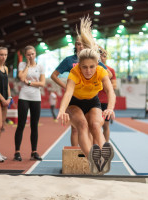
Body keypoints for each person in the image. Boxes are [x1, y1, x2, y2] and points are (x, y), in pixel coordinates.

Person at [57, 16, 116, 175]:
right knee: (82, 125)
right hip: (75, 103)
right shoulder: (74, 73)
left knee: (97, 126)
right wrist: (62, 110)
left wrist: (110, 108)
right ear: (79, 66)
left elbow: (110, 91)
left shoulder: (101, 71)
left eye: (91, 67)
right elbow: (68, 93)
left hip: (93, 102)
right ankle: (92, 160)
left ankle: (104, 155)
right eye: (85, 67)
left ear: (97, 65)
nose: (88, 71)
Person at [51, 33, 111, 147]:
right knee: (77, 128)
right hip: (74, 98)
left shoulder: (92, 59)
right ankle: (76, 152)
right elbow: (54, 75)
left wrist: (97, 51)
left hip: (90, 98)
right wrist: (66, 86)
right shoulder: (69, 60)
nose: (81, 47)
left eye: (83, 44)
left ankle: (93, 153)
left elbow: (109, 74)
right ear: (75, 45)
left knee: (92, 127)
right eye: (78, 44)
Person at [14, 45, 45, 161]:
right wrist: (27, 64)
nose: (31, 56)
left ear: (35, 54)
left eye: (32, 54)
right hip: (24, 96)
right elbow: (21, 77)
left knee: (34, 125)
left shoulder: (40, 66)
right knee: (21, 124)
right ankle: (17, 152)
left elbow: (42, 83)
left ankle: (34, 151)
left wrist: (30, 83)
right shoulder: (22, 65)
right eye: (28, 54)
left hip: (36, 97)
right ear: (25, 55)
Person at [99, 50, 117, 142]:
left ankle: (106, 145)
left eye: (104, 56)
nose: (102, 58)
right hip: (94, 101)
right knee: (94, 125)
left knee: (106, 125)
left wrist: (102, 84)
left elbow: (114, 86)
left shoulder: (111, 70)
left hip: (105, 102)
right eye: (100, 56)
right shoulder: (93, 69)